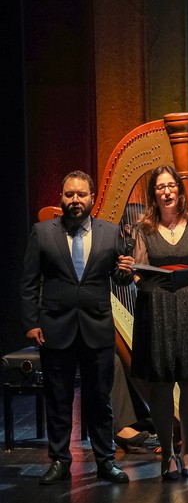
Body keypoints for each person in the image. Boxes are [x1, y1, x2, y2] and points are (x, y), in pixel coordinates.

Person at [20, 171, 131, 484]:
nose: (75, 200)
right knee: (58, 398)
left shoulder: (110, 233)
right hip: (55, 326)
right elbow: (28, 282)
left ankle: (106, 461)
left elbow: (120, 278)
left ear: (92, 198)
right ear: (61, 197)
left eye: (81, 195)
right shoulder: (42, 232)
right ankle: (59, 461)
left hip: (97, 327)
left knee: (100, 399)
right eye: (69, 194)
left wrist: (125, 271)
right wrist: (30, 323)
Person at [118, 166, 188, 480]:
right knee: (162, 386)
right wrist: (137, 275)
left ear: (180, 191)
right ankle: (166, 454)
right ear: (154, 193)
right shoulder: (144, 228)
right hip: (157, 308)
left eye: (171, 186)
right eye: (160, 187)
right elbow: (137, 273)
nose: (166, 192)